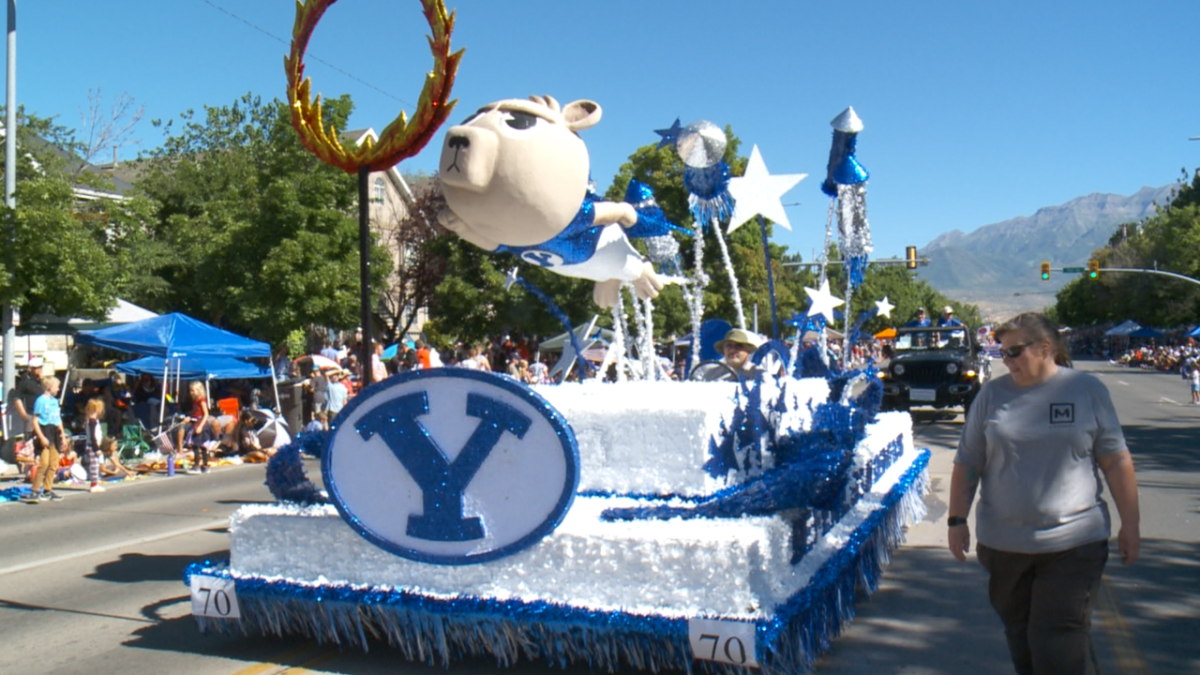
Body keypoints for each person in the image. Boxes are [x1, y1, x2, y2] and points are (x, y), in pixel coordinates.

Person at [948, 312, 1140, 675]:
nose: (1006, 361)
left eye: (1014, 352)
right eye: (1002, 353)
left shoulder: (1087, 390)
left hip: (1074, 542)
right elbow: (968, 462)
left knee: (1056, 639)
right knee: (1021, 639)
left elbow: (1115, 461)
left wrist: (1131, 523)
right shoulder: (992, 395)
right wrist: (956, 519)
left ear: (1046, 348)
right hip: (1004, 544)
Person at [26, 376, 66, 502]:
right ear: (49, 387)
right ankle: (35, 490)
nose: (58, 389)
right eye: (56, 386)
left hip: (54, 432)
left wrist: (63, 435)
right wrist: (41, 437)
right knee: (44, 463)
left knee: (54, 464)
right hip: (44, 431)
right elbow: (35, 420)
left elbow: (57, 419)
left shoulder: (54, 401)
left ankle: (47, 489)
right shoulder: (41, 401)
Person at [12, 356, 45, 450]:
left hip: (42, 413)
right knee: (30, 438)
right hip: (31, 413)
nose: (39, 370)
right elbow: (17, 398)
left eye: (40, 367)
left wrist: (43, 380)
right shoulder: (25, 381)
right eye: (37, 368)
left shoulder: (41, 381)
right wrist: (24, 415)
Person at [182, 381, 213, 474]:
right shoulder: (195, 402)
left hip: (200, 425)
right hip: (196, 423)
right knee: (199, 445)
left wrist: (200, 426)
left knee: (198, 445)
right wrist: (189, 418)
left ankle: (198, 466)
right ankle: (204, 466)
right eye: (190, 391)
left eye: (193, 391)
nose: (191, 393)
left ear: (199, 391)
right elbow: (195, 414)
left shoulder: (201, 401)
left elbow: (206, 414)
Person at [83, 398, 107, 493]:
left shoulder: (92, 420)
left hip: (93, 445)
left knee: (95, 465)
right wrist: (96, 448)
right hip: (93, 446)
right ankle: (94, 484)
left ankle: (95, 483)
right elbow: (93, 436)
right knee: (94, 466)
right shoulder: (92, 421)